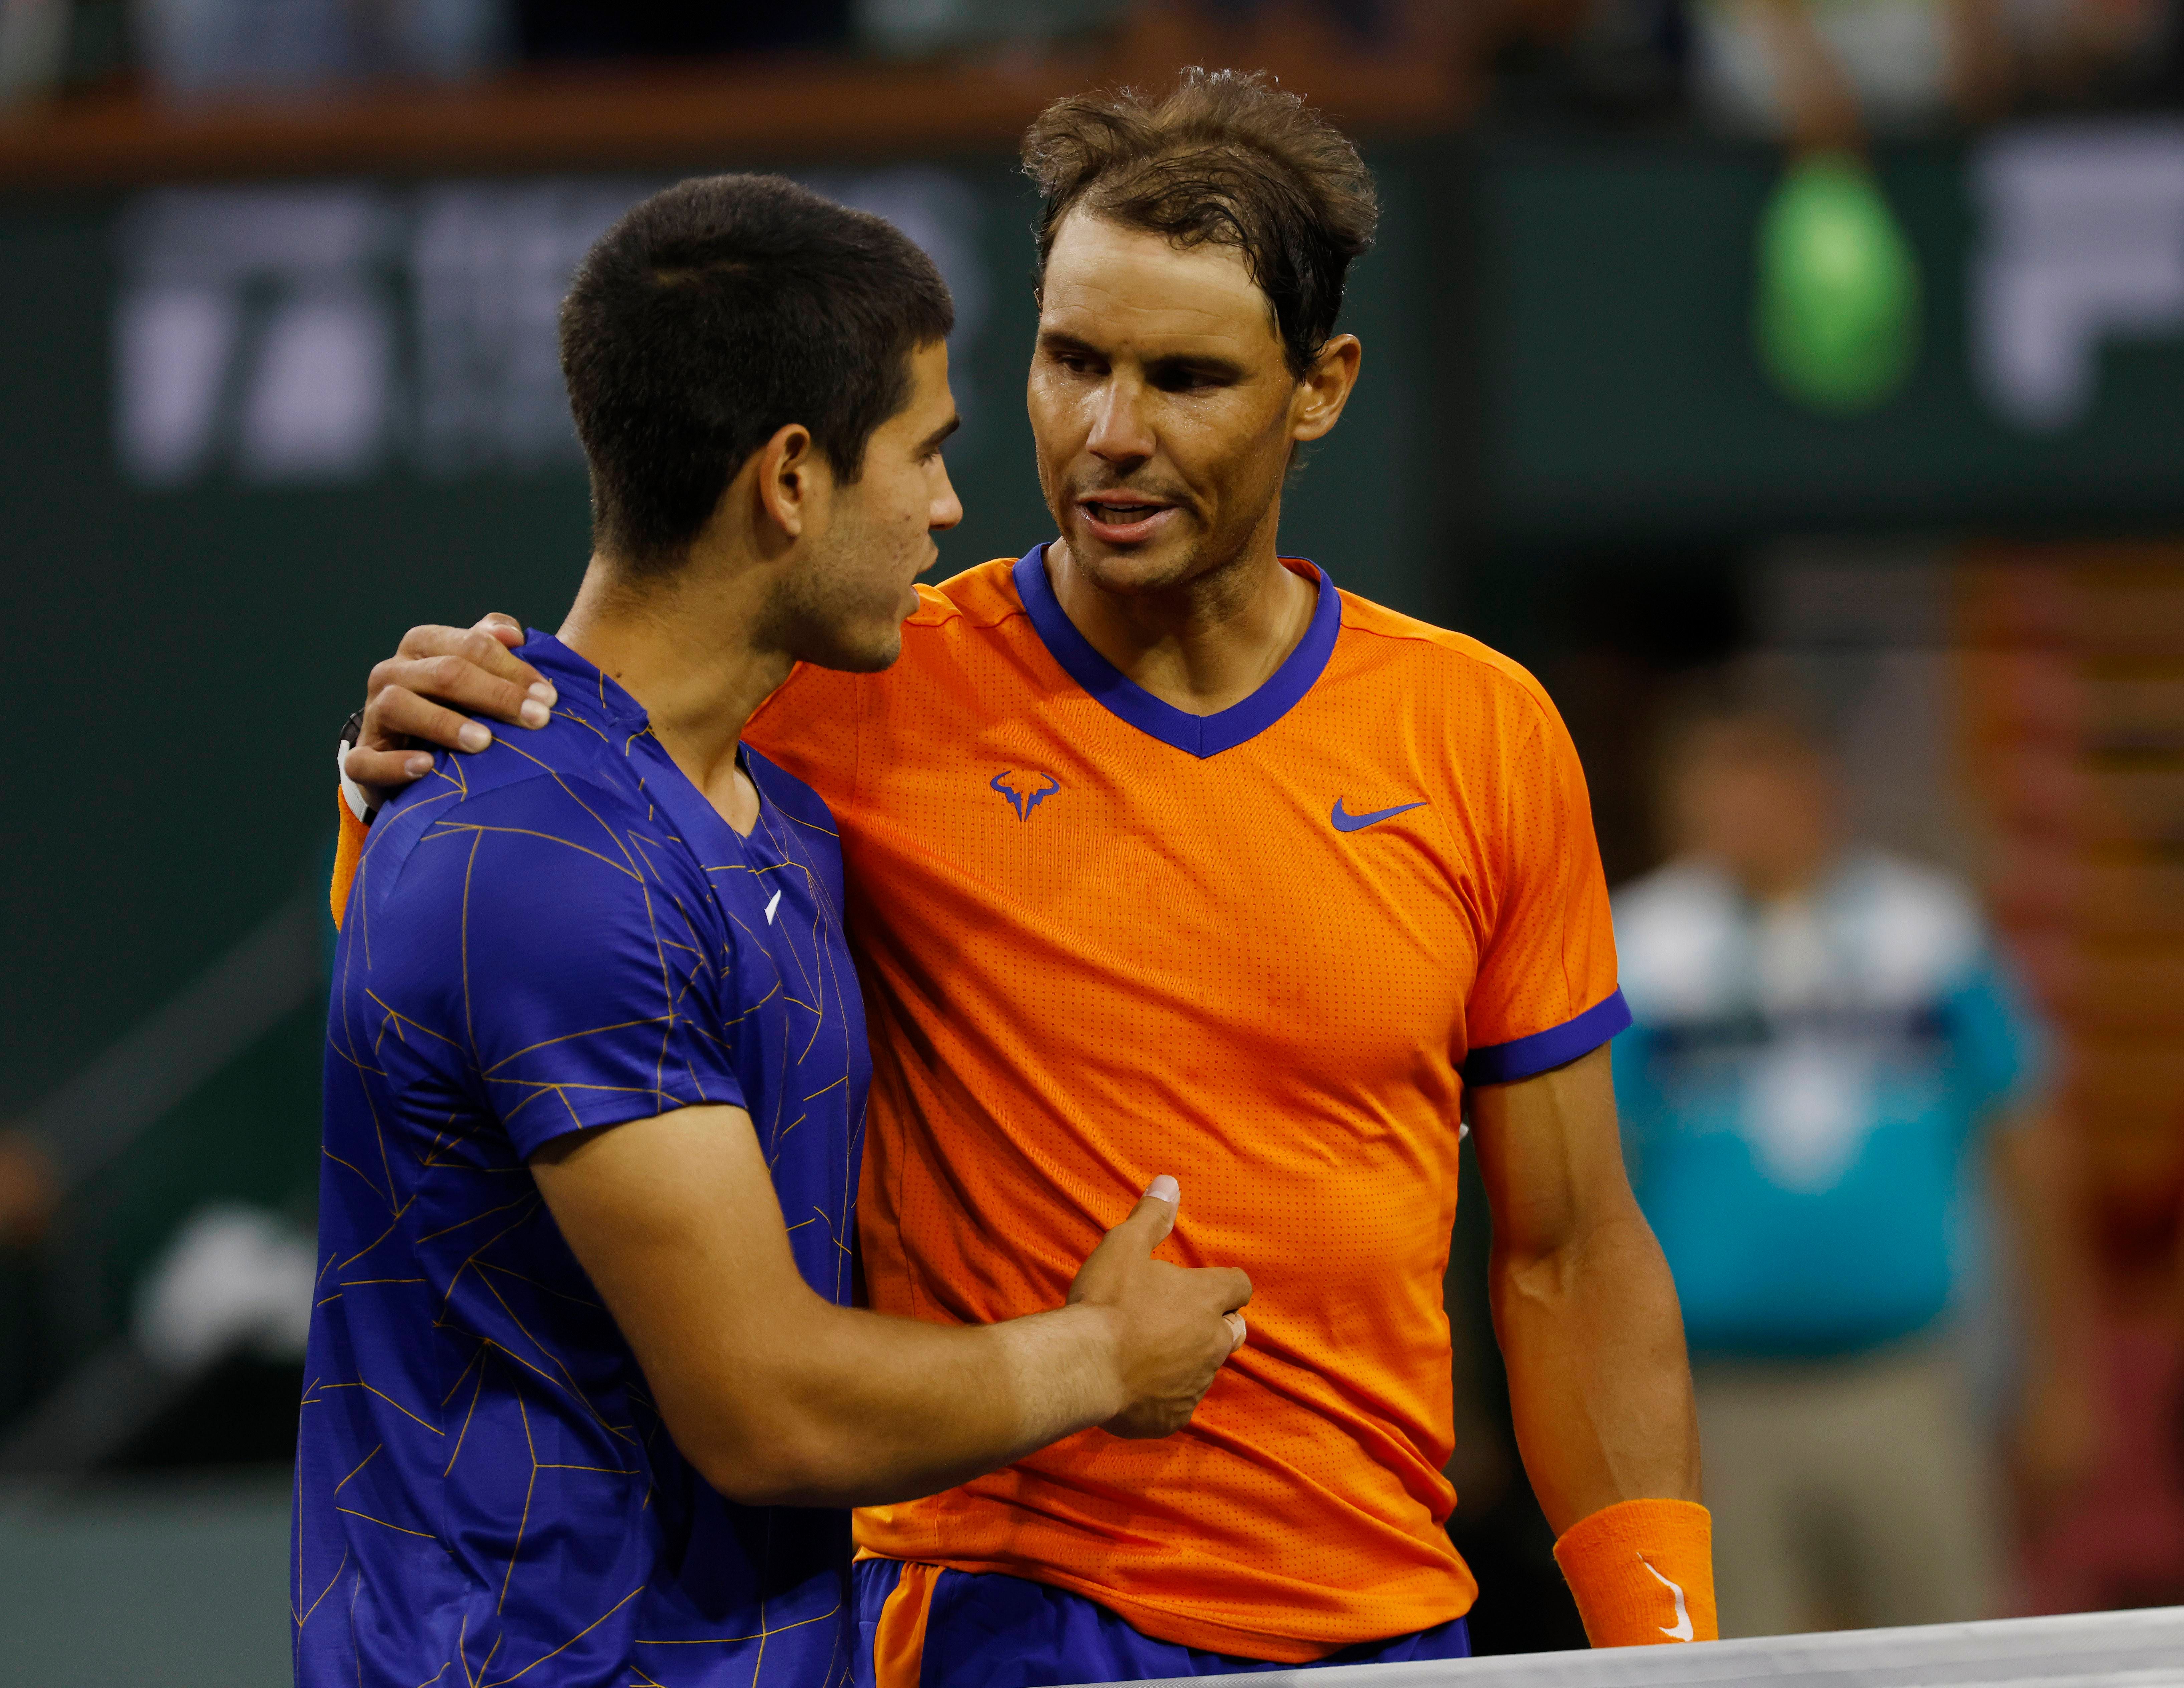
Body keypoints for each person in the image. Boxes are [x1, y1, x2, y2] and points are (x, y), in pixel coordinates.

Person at [335, 70, 1712, 1686]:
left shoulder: (1482, 732)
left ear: (1320, 387)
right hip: (1001, 1611)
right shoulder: (850, 672)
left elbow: (1568, 1248)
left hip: (1396, 1624)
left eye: (1187, 377)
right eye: (1072, 361)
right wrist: (395, 765)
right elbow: (524, 892)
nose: (1108, 437)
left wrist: (1665, 1644)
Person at [296, 174, 1253, 1688]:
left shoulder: (773, 814)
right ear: (791, 478)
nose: (951, 506)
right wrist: (1102, 1357)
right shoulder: (539, 858)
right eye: (926, 452)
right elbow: (764, 1406)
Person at [1608, 706, 2088, 1636]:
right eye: (1719, 785)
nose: (1744, 810)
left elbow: (2029, 1142)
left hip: (1905, 1375)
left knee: (1949, 1647)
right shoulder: (1636, 942)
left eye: (1766, 780)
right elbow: (1582, 1179)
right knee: (1728, 1653)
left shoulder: (1929, 930)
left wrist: (2059, 1373)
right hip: (1711, 1394)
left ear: (1820, 789)